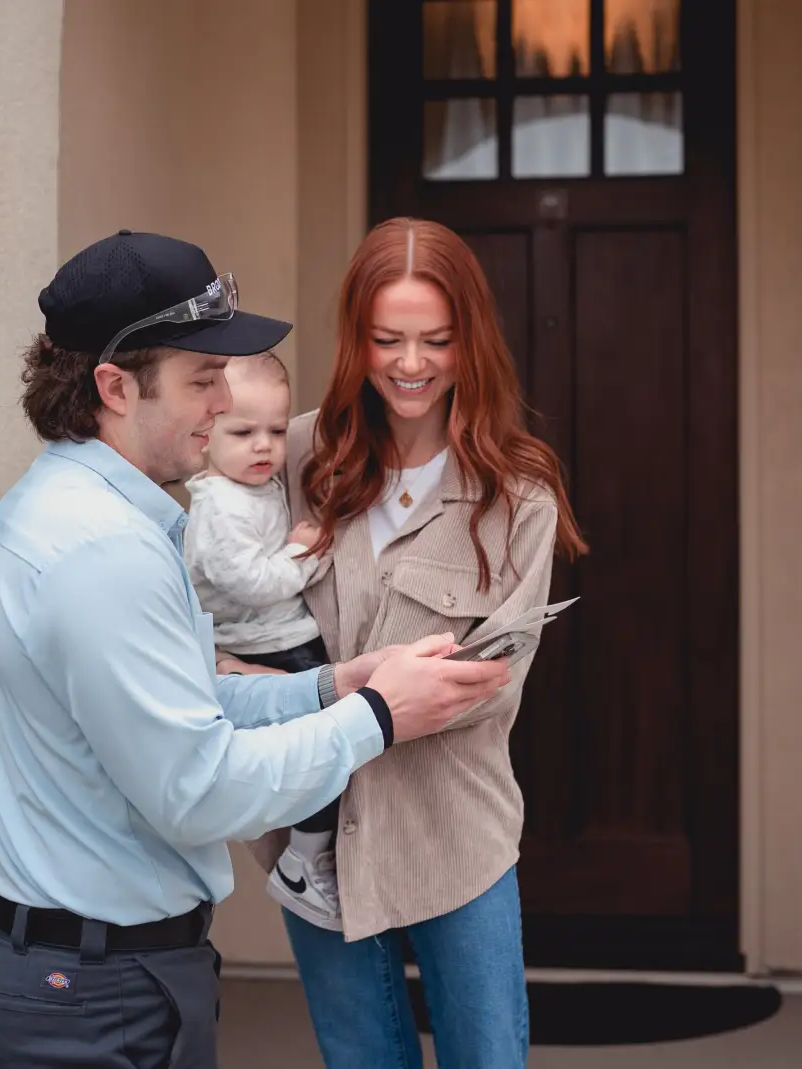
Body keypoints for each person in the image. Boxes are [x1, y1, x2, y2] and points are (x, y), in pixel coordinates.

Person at [0, 229, 514, 1069]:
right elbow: (200, 789)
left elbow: (190, 705)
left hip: (105, 971)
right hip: (96, 993)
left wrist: (327, 686)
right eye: (202, 378)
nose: (226, 403)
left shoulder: (87, 513)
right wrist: (376, 715)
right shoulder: (100, 553)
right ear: (115, 386)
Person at [237, 217, 588, 1069]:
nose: (410, 363)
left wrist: (333, 690)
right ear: (355, 337)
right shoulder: (289, 457)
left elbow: (492, 686)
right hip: (313, 839)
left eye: (437, 339)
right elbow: (219, 613)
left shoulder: (519, 493)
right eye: (386, 338)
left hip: (454, 837)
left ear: (472, 340)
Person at [181, 352, 343, 932]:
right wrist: (304, 550)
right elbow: (251, 582)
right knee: (330, 753)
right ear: (207, 435)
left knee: (335, 754)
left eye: (277, 431)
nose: (264, 446)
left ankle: (311, 852)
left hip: (286, 639)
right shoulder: (218, 506)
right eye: (244, 432)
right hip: (268, 650)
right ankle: (302, 860)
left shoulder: (258, 487)